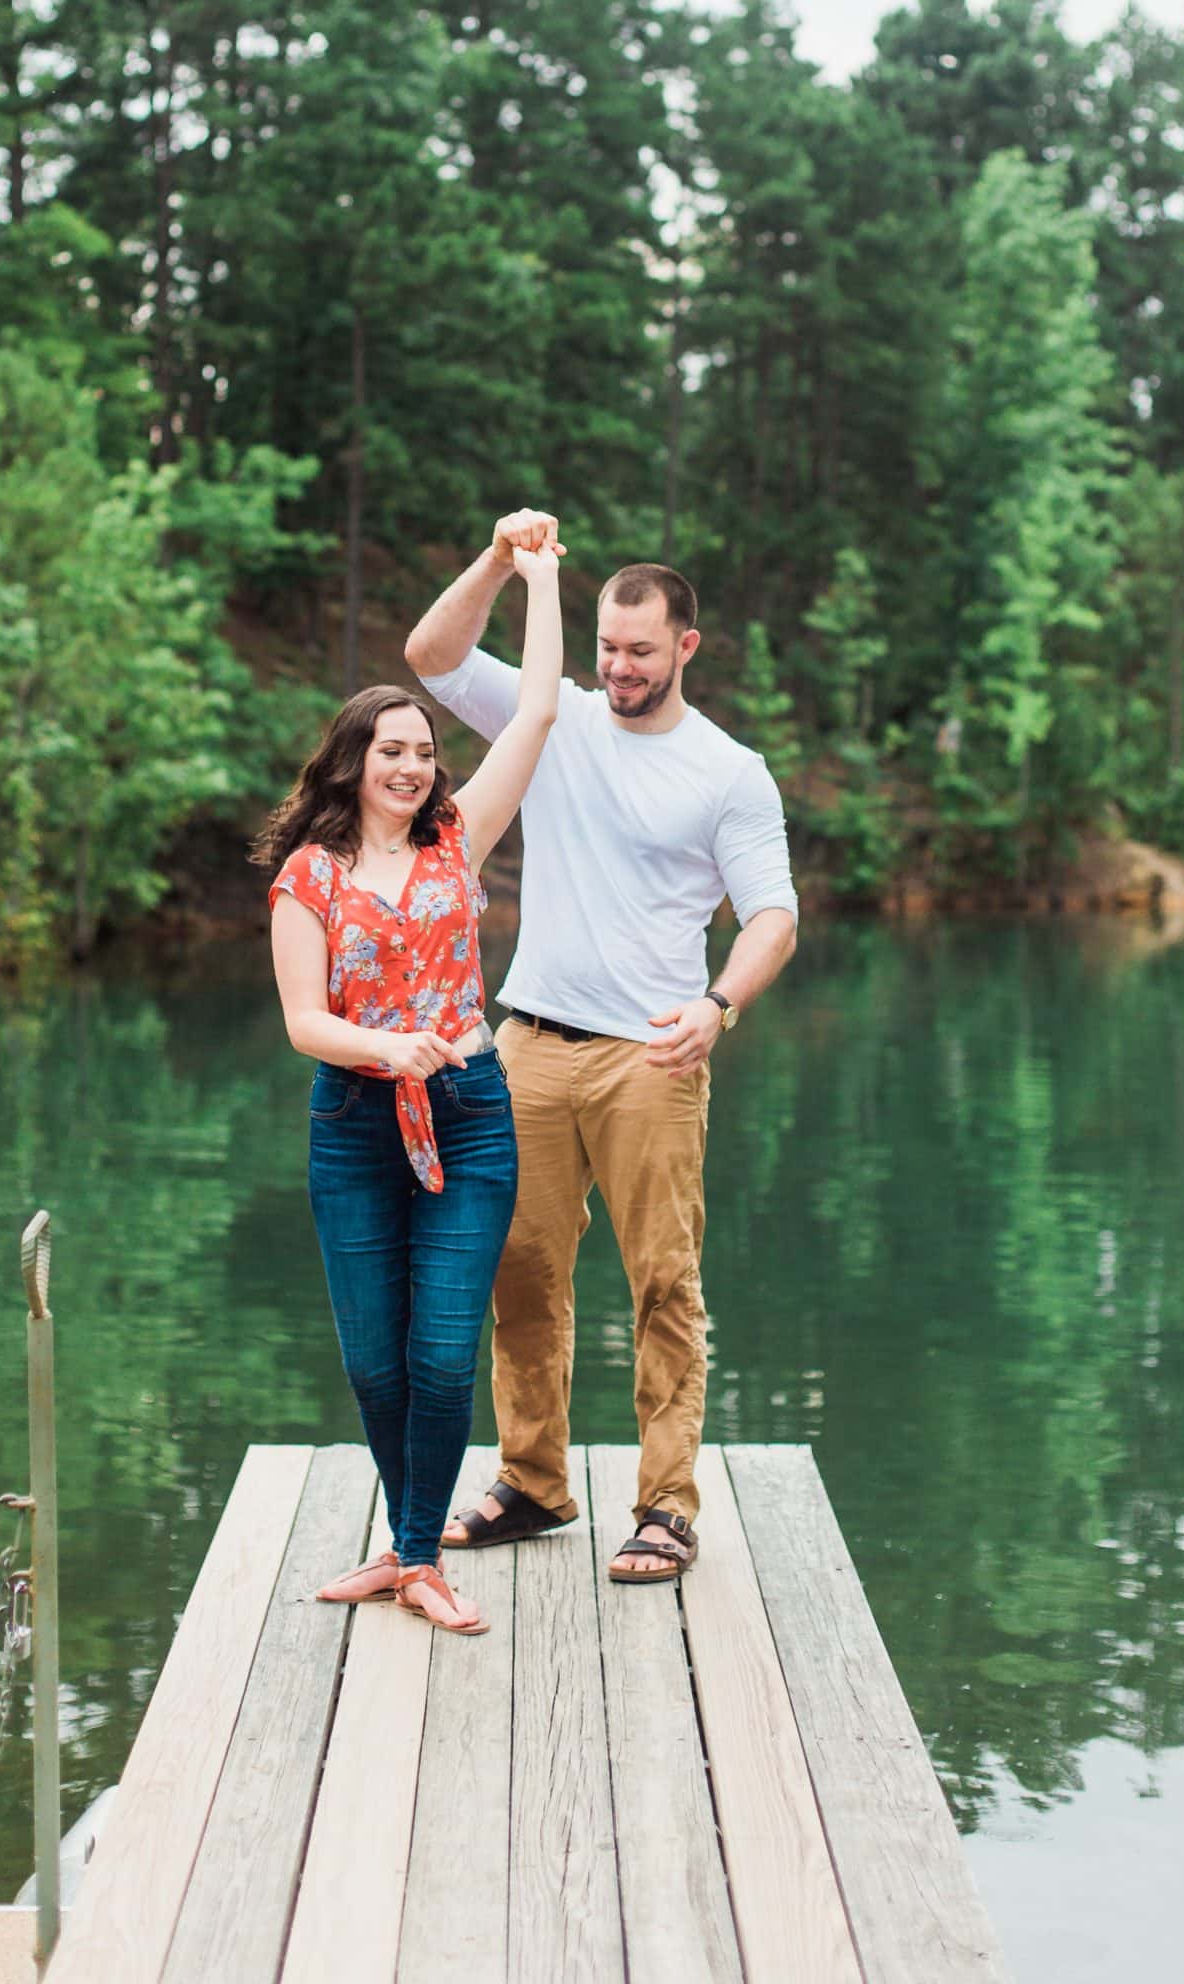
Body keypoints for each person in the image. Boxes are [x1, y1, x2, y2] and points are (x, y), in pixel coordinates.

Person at [404, 509, 798, 1583]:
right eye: (608, 649)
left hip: (653, 1057)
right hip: (526, 1041)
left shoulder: (728, 772)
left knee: (662, 1281)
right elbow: (431, 657)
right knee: (519, 1273)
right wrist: (495, 558)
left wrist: (718, 1006)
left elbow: (773, 915)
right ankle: (532, 1482)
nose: (618, 669)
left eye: (639, 651)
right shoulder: (554, 716)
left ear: (685, 648)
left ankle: (666, 1506)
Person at [257, 540, 563, 1634]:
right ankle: (410, 1547)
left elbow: (532, 715)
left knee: (441, 1350)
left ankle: (418, 1555)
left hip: (470, 1116)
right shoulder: (310, 875)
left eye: (425, 751)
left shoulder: (456, 844)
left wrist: (531, 575)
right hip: (354, 1122)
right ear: (351, 760)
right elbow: (305, 1022)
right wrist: (386, 1052)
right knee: (376, 1360)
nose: (413, 766)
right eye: (392, 750)